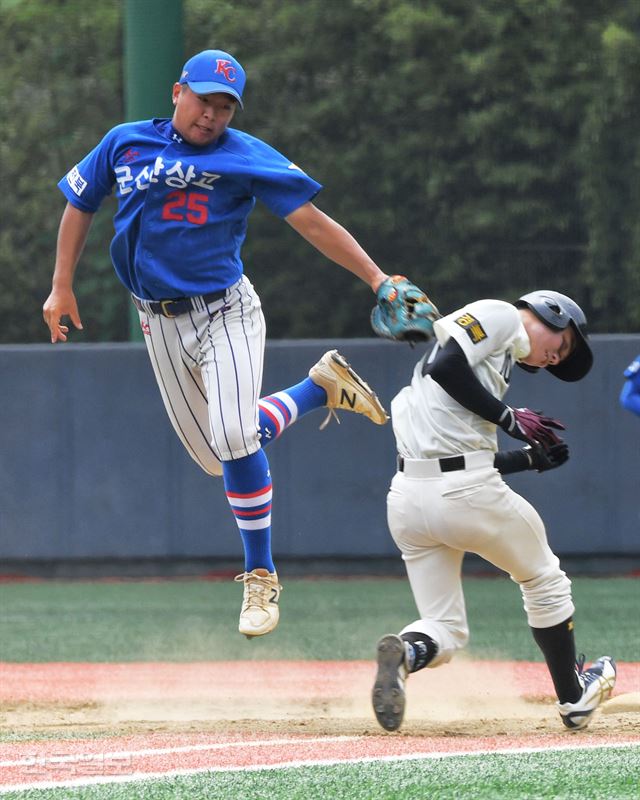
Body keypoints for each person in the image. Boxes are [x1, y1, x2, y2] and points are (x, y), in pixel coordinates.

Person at [42, 48, 392, 638]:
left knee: (232, 437)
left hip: (225, 311)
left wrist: (379, 279)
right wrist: (60, 286)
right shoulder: (125, 142)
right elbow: (80, 204)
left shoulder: (243, 155)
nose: (212, 114)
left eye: (225, 105)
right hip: (158, 321)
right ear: (178, 92)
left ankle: (260, 574)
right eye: (205, 99)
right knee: (217, 457)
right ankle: (316, 389)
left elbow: (312, 221)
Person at [371, 290, 617, 732]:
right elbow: (444, 366)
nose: (552, 359)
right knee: (544, 579)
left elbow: (454, 450)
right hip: (463, 495)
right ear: (549, 313)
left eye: (558, 360)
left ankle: (406, 653)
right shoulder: (503, 314)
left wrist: (526, 458)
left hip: (409, 499)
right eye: (561, 346)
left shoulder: (493, 356)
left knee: (444, 627)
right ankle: (573, 697)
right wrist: (509, 419)